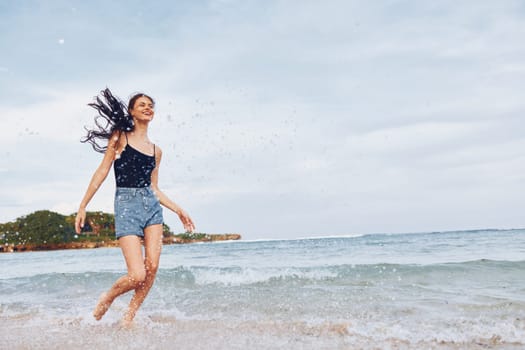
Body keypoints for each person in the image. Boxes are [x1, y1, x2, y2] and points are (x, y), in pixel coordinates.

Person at [75, 88, 195, 326]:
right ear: (131, 111)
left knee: (152, 268)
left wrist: (178, 209)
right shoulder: (120, 137)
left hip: (151, 208)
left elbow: (154, 188)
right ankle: (108, 296)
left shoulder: (156, 151)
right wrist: (83, 205)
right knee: (137, 274)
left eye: (150, 105)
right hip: (126, 206)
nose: (147, 107)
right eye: (142, 104)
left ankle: (128, 316)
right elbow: (102, 171)